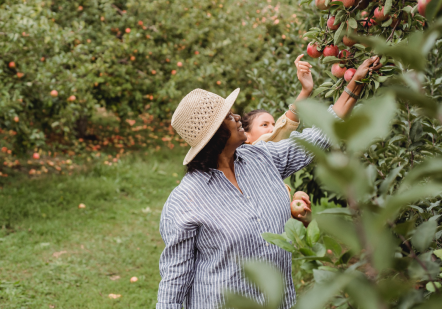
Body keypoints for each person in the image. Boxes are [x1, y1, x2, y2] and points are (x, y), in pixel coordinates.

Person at [157, 56, 382, 309]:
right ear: (216, 135)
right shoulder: (185, 201)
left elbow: (318, 136)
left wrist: (355, 86)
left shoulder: (261, 158)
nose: (239, 116)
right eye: (230, 117)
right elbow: (173, 285)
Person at [241, 55, 314, 222]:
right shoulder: (252, 152)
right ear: (246, 136)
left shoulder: (272, 162)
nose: (272, 129)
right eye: (264, 125)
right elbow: (285, 126)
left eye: (273, 124)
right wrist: (305, 91)